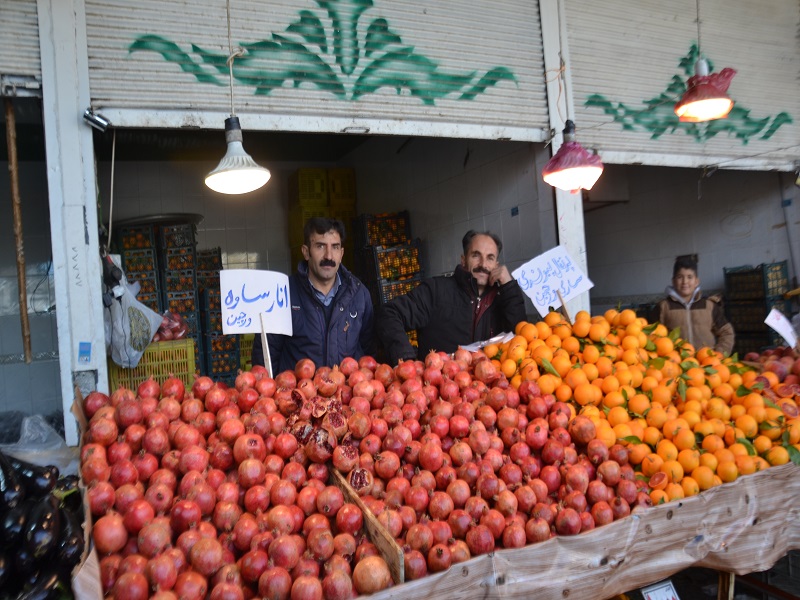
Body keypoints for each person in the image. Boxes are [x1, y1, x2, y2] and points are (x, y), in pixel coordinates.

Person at [378, 229, 527, 365]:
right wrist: (405, 359)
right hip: (439, 388)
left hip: (490, 389)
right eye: (476, 255)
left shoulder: (503, 299)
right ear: (463, 260)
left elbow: (522, 338)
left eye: (490, 258)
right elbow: (390, 313)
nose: (483, 264)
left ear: (497, 264)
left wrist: (509, 287)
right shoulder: (435, 290)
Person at [252, 217, 375, 375]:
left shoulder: (359, 294)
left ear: (342, 253)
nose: (329, 256)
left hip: (345, 397)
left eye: (335, 247)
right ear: (306, 252)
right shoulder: (282, 294)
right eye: (320, 246)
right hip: (296, 396)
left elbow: (369, 351)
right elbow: (265, 357)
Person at [657, 255, 734, 354]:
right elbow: (652, 337)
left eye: (690, 277)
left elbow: (727, 332)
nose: (685, 282)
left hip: (707, 364)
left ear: (696, 281)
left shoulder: (709, 306)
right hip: (675, 365)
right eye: (680, 277)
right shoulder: (663, 307)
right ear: (673, 281)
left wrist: (719, 354)